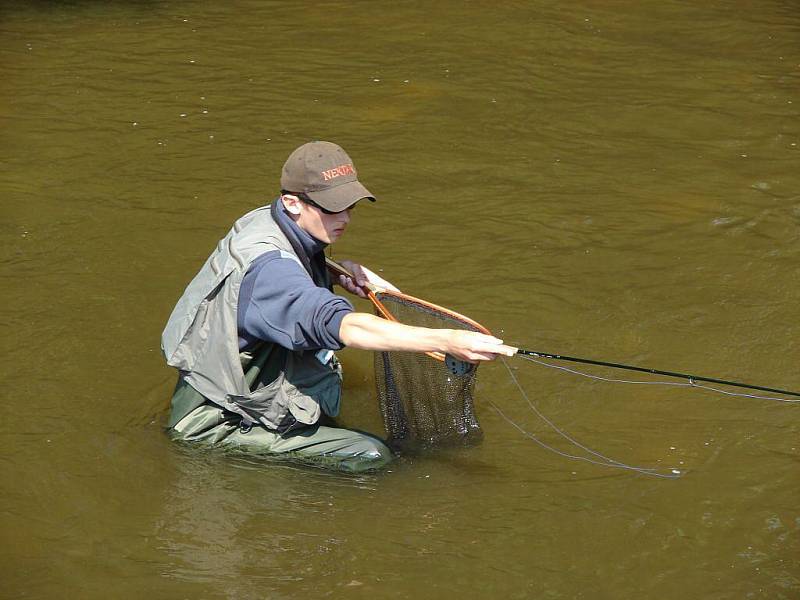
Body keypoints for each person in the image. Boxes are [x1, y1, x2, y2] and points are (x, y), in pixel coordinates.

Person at [161, 141, 515, 472]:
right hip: (212, 423)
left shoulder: (264, 221)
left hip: (220, 384)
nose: (344, 217)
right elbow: (347, 326)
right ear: (292, 202)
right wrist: (447, 341)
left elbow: (277, 273)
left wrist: (333, 269)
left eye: (349, 205)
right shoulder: (271, 271)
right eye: (331, 208)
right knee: (372, 455)